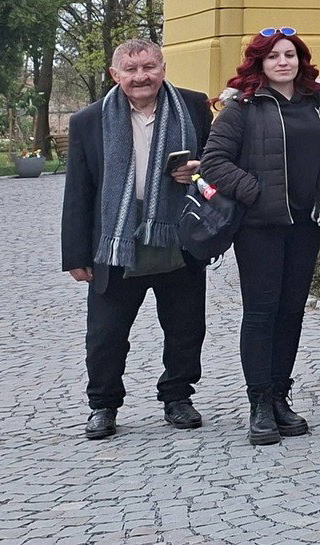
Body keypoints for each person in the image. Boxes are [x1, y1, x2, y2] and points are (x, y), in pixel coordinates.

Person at [197, 29, 320, 445]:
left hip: (306, 224)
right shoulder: (242, 107)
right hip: (260, 228)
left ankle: (281, 395)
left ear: (301, 61)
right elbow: (214, 161)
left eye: (290, 55)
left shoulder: (318, 104)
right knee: (262, 312)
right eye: (274, 56)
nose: (284, 62)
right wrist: (256, 193)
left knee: (291, 312)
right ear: (260, 63)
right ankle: (259, 403)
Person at [61, 39, 215, 441]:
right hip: (115, 240)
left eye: (149, 67)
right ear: (115, 75)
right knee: (105, 334)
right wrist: (76, 254)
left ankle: (178, 397)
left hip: (176, 234)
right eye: (130, 70)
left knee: (185, 327)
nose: (140, 76)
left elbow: (218, 161)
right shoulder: (89, 120)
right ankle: (103, 405)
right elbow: (79, 191)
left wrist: (199, 170)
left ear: (163, 68)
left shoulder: (194, 107)